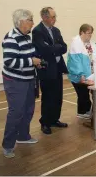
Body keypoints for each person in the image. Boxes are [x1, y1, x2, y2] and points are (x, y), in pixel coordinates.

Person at [1, 9, 41, 158]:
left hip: (28, 79)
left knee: (28, 110)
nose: (33, 22)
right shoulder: (11, 38)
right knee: (16, 112)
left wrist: (36, 62)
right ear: (22, 22)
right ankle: (8, 145)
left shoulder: (25, 37)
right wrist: (31, 61)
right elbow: (10, 62)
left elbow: (27, 56)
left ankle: (23, 136)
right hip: (15, 81)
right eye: (30, 19)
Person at [32, 7, 68, 135]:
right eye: (52, 17)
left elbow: (64, 47)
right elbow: (43, 49)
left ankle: (54, 119)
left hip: (57, 68)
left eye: (55, 16)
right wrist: (55, 47)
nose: (54, 19)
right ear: (44, 17)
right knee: (48, 97)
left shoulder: (56, 30)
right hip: (46, 69)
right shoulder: (37, 31)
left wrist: (54, 47)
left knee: (58, 96)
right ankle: (45, 122)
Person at [67, 24, 96, 119]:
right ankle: (82, 112)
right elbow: (75, 62)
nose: (90, 35)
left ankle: (87, 111)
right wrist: (81, 75)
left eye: (91, 33)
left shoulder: (91, 44)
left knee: (88, 93)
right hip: (78, 75)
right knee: (83, 94)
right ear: (82, 33)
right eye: (88, 33)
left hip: (90, 74)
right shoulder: (76, 43)